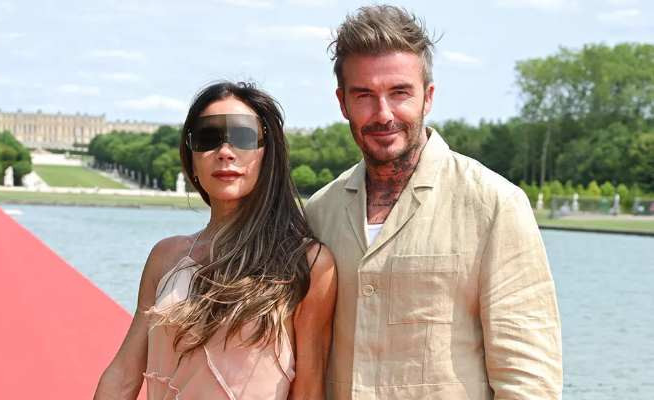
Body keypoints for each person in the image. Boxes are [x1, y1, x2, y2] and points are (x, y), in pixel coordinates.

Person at [304, 5, 562, 400]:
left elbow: (528, 377)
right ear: (342, 103)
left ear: (428, 97)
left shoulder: (494, 205)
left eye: (399, 92)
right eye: (364, 95)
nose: (383, 114)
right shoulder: (319, 213)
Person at [94, 81, 337, 400]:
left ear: (267, 153)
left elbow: (308, 391)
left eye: (243, 137)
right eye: (207, 139)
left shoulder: (307, 263)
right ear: (191, 157)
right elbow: (124, 374)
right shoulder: (165, 256)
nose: (224, 152)